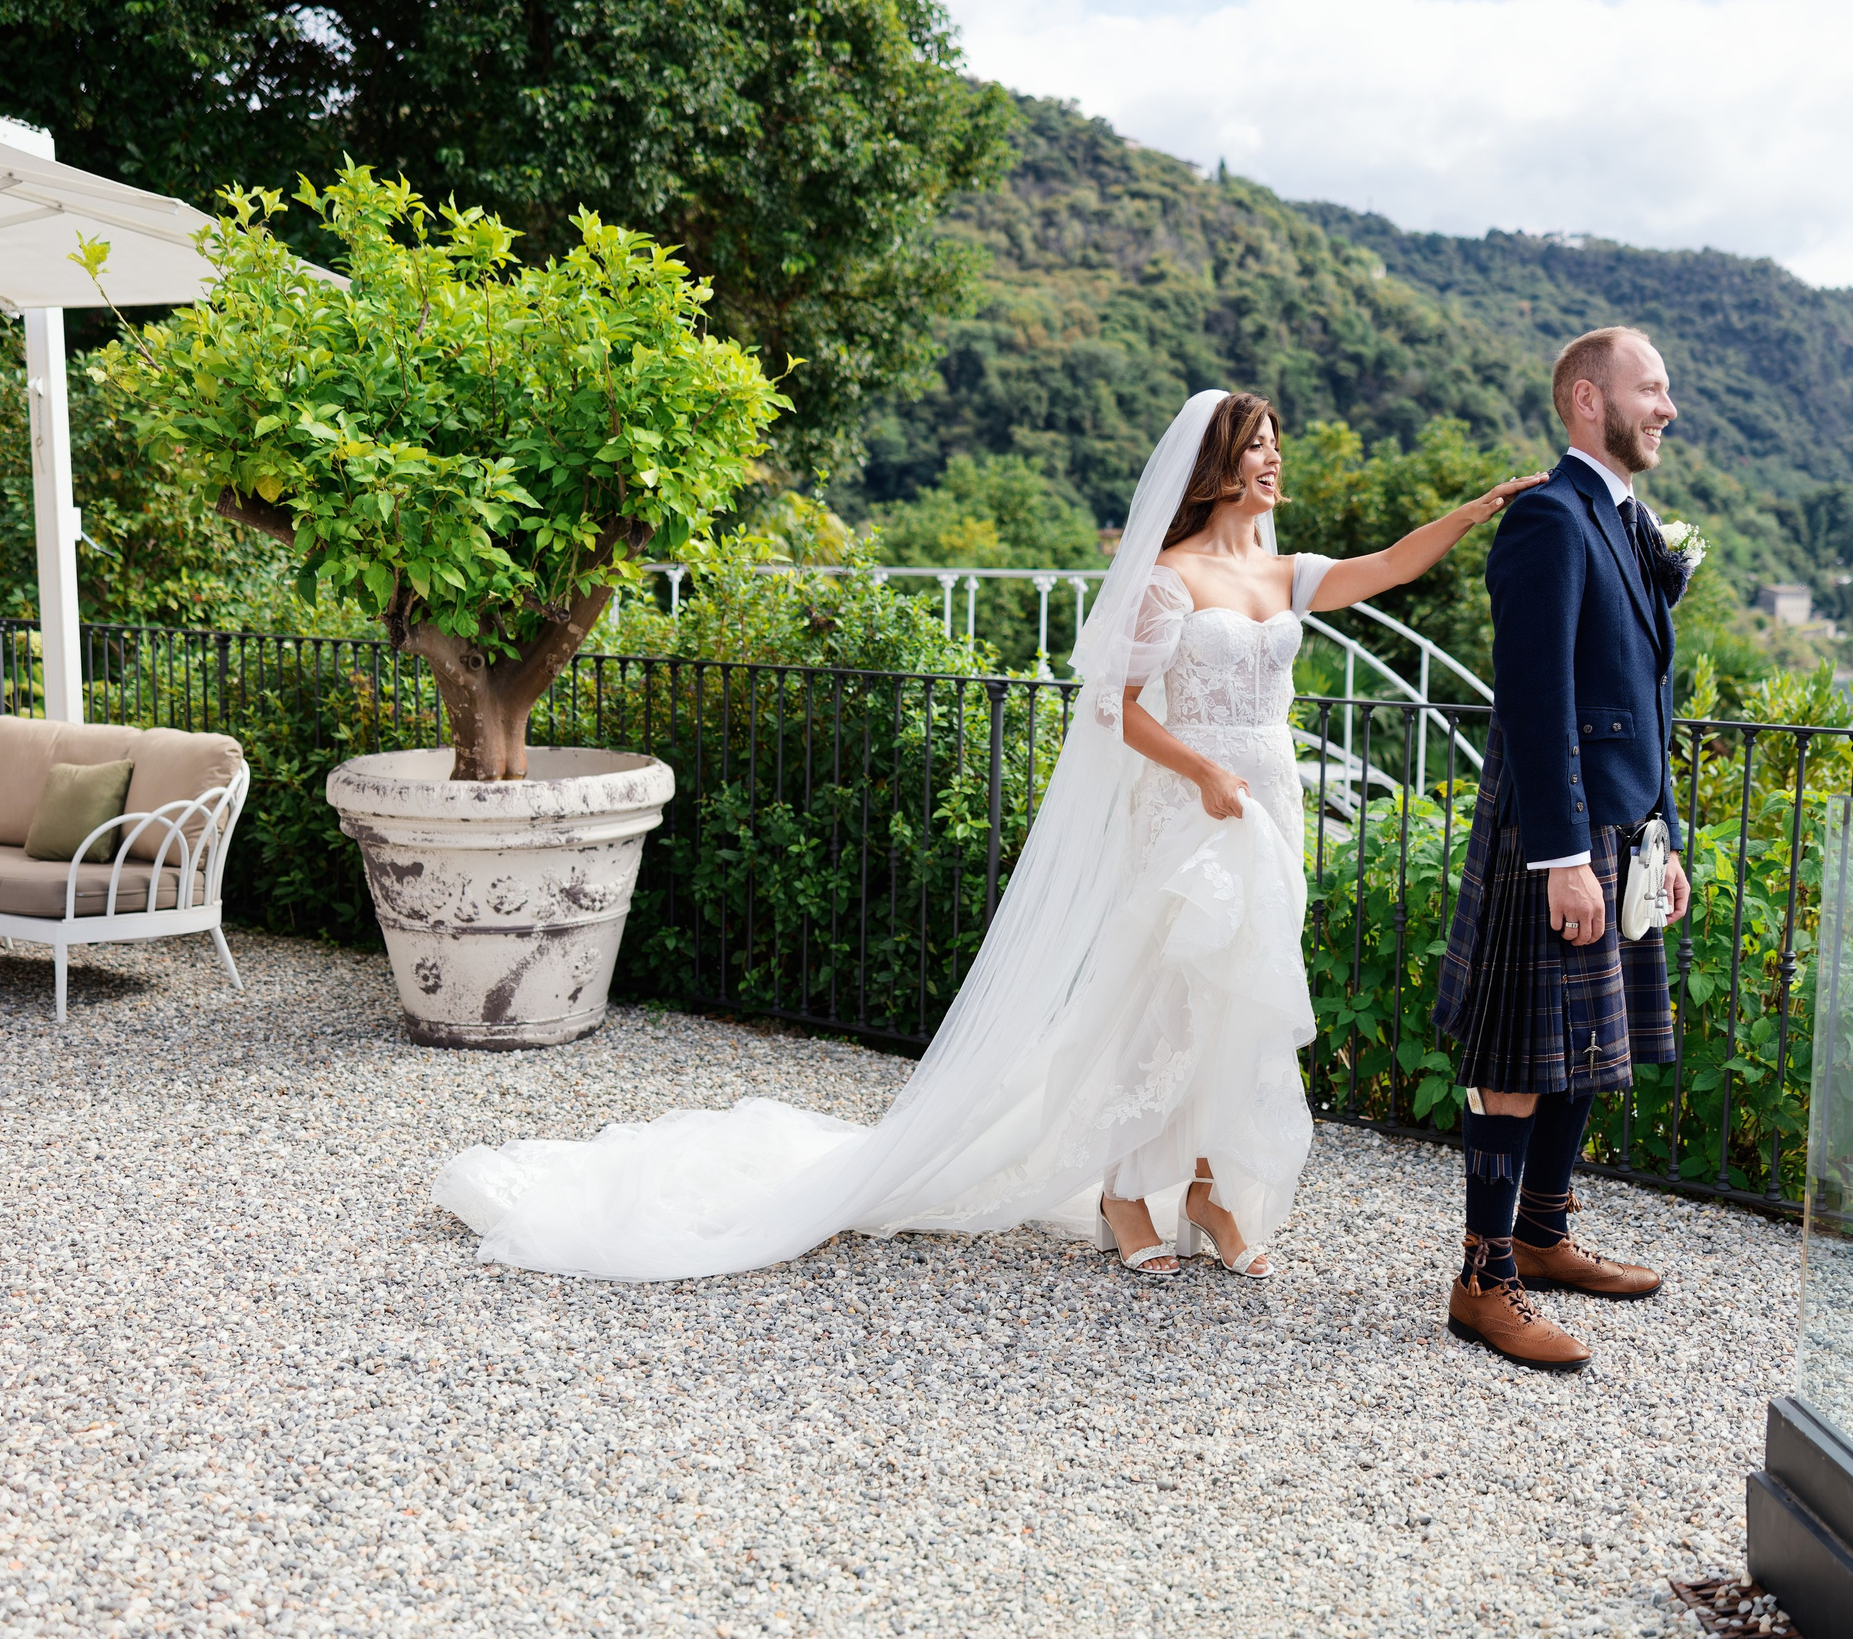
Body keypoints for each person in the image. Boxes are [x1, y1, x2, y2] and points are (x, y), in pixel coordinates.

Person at [430, 389, 1544, 1282]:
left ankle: (1212, 1188)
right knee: (1157, 992)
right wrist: (1201, 767)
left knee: (1241, 995)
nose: (1271, 462)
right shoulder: (1167, 578)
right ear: (1214, 466)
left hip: (1268, 808)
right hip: (1189, 804)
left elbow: (1391, 566)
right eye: (1255, 447)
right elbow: (1119, 711)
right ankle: (1123, 1189)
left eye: (1274, 445)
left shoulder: (1282, 573)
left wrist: (1478, 510)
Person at [1431, 325, 1694, 1371]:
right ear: (1589, 399)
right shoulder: (1550, 517)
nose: (1666, 408)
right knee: (1520, 1060)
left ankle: (1540, 1236)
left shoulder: (1620, 520)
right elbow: (1538, 701)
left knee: (1583, 1048)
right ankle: (1481, 1279)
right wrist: (1561, 858)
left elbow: (1643, 699)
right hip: (1564, 830)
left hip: (1621, 825)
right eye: (1651, 389)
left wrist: (1659, 839)